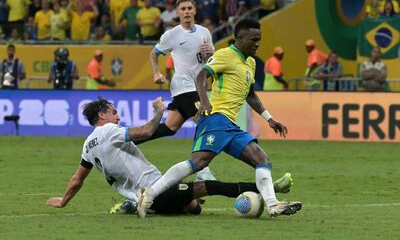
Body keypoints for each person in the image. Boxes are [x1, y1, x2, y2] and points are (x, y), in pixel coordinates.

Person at [137, 18, 302, 218]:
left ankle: (272, 204)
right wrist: (204, 101)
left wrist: (269, 118)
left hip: (231, 124)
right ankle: (150, 194)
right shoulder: (225, 55)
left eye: (259, 39)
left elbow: (250, 95)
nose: (257, 43)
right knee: (199, 162)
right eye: (253, 39)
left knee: (262, 159)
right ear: (240, 38)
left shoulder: (249, 62)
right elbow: (200, 76)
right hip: (216, 118)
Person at [46, 97, 294, 216]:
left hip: (145, 196)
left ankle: (131, 205)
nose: (118, 117)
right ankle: (271, 188)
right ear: (102, 115)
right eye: (113, 112)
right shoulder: (109, 131)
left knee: (194, 208)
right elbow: (147, 131)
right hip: (154, 190)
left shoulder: (87, 146)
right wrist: (159, 112)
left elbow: (77, 179)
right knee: (208, 186)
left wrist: (63, 201)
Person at [139, 0, 216, 181]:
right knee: (206, 122)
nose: (187, 11)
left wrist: (209, 54)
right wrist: (156, 73)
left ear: (195, 10)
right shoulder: (172, 35)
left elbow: (209, 61)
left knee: (170, 127)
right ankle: (202, 169)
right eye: (183, 9)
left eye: (190, 8)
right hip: (183, 86)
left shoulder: (205, 32)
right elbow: (153, 53)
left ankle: (131, 139)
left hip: (198, 87)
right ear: (178, 13)